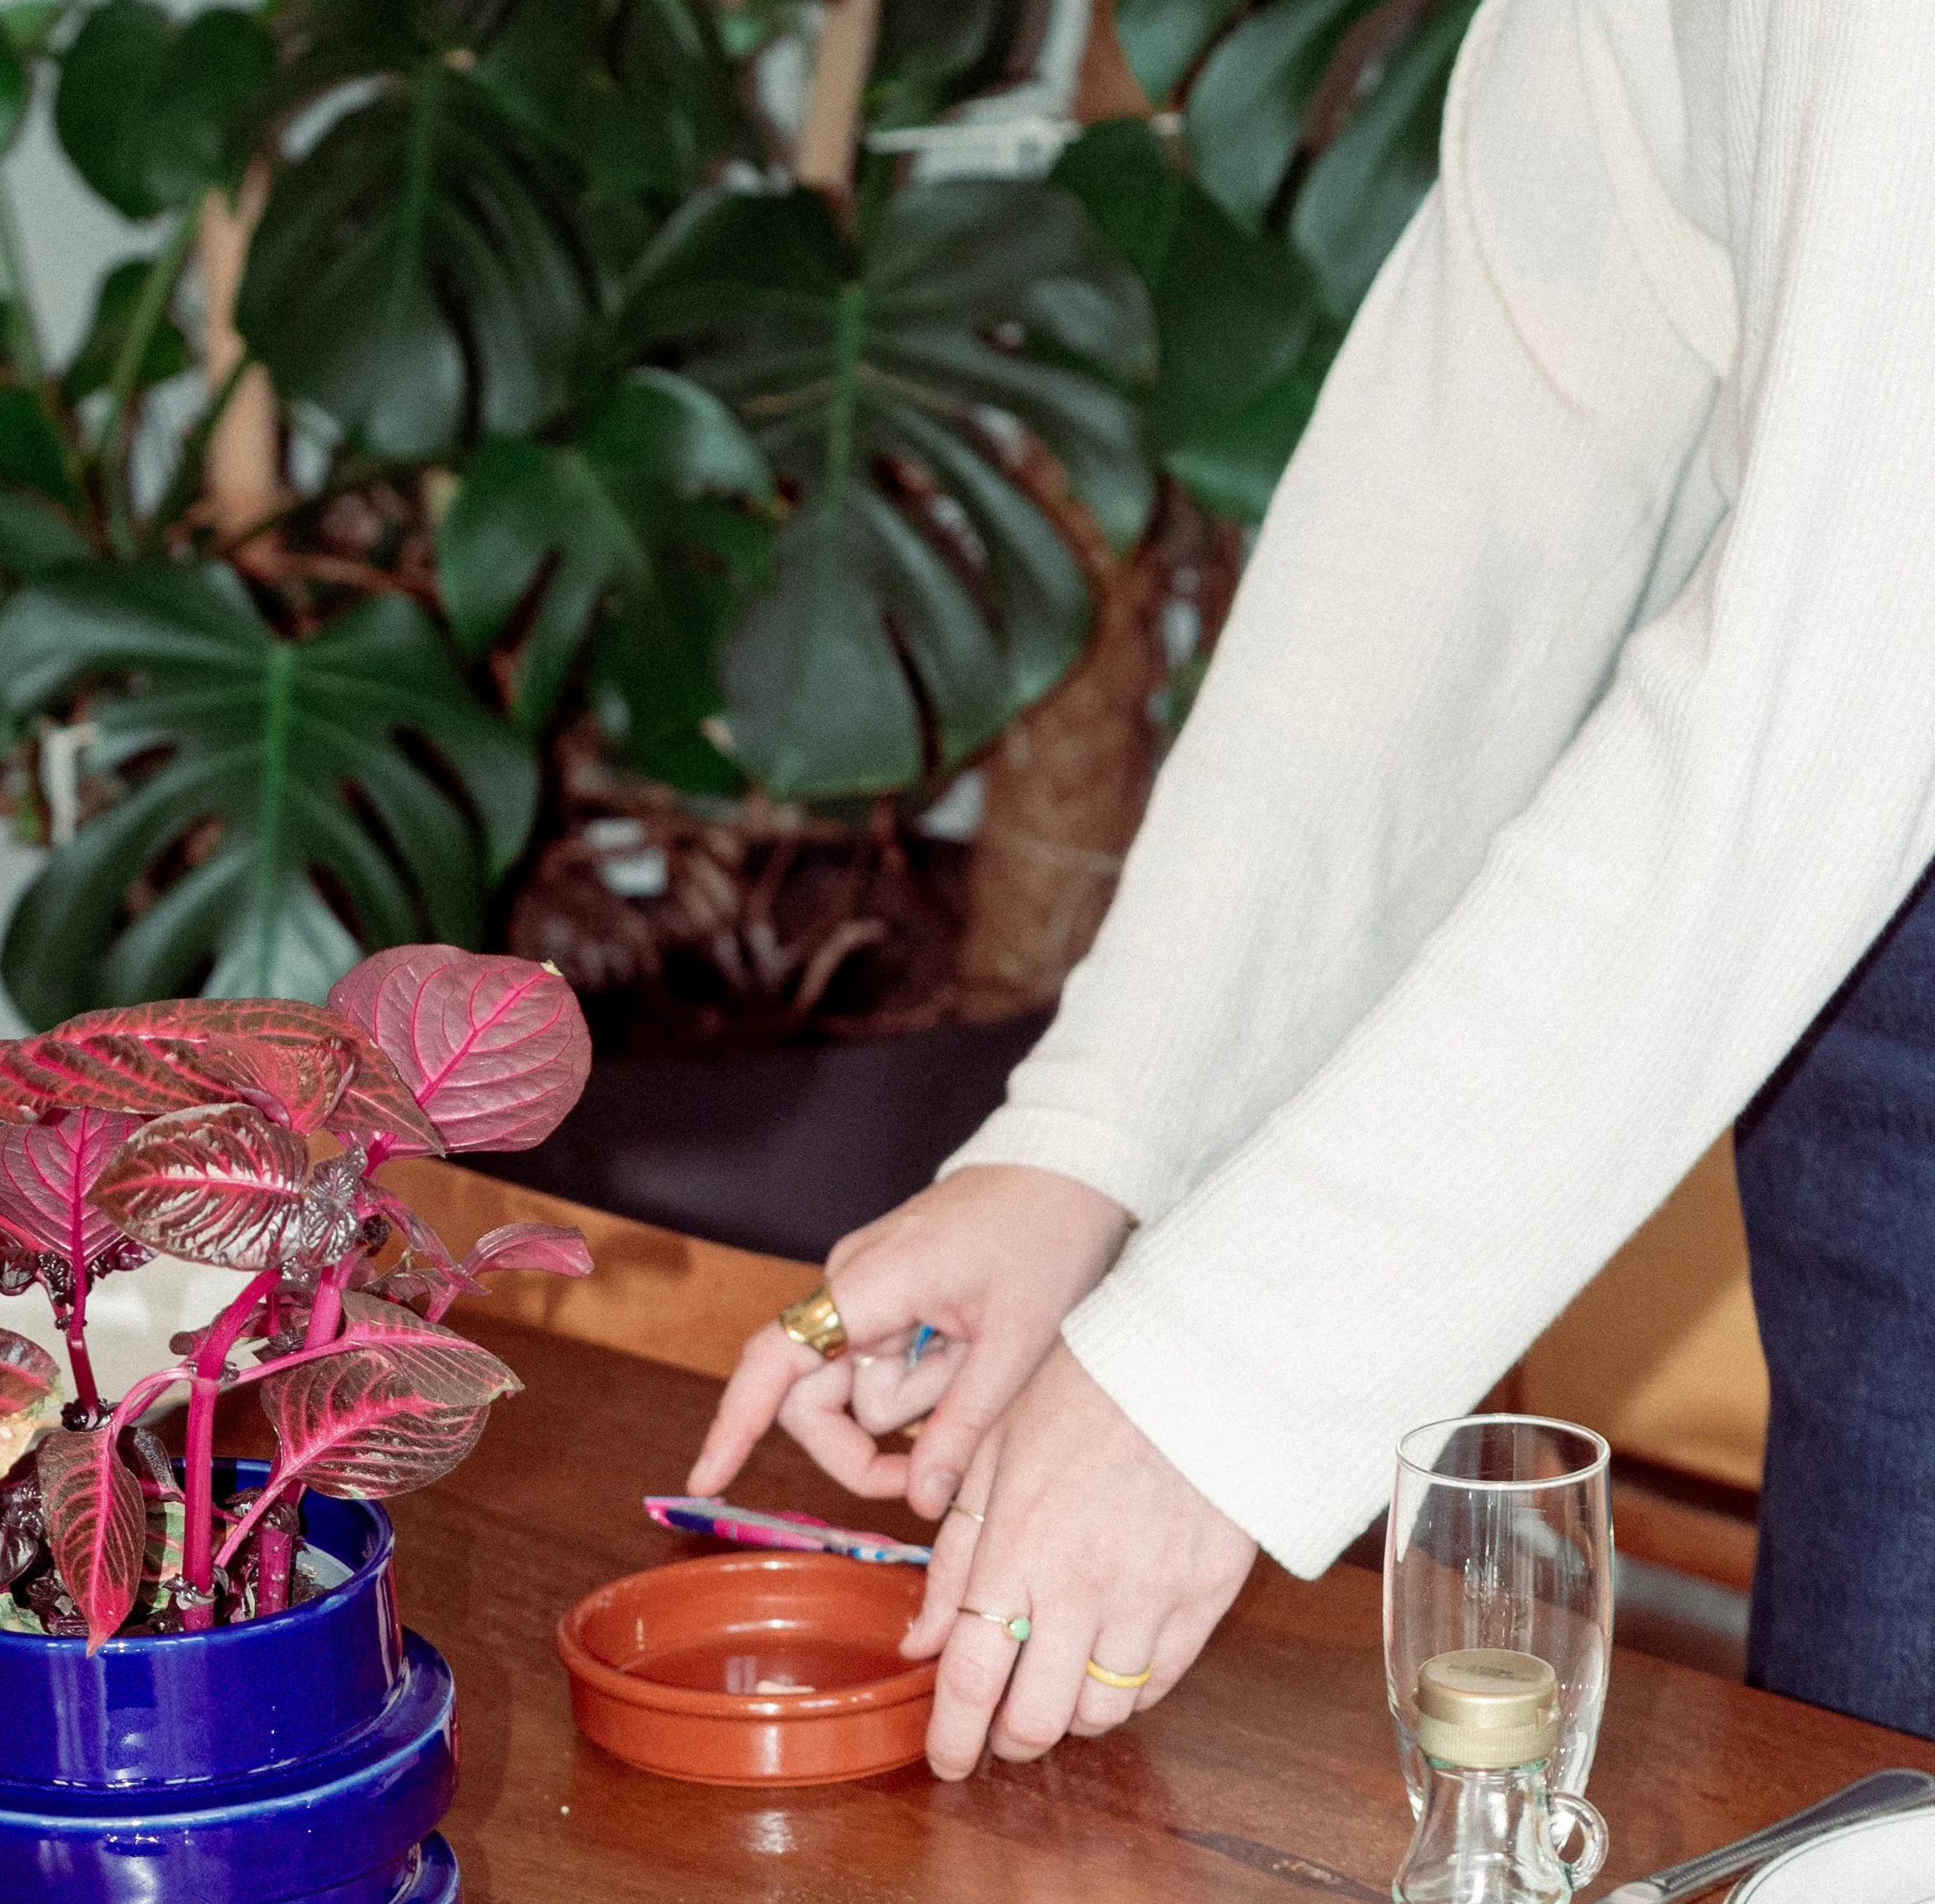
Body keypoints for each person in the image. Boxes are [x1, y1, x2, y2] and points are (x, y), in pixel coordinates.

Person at [685, 0, 1935, 1779]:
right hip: (1880, 961)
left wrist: (1205, 1394)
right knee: (1876, 1874)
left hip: (1847, 765)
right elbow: (1508, 431)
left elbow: (1835, 672)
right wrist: (1096, 1139)